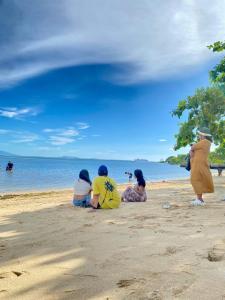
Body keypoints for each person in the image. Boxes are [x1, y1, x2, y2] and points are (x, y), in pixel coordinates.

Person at [190, 127, 214, 206]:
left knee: (195, 180)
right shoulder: (204, 142)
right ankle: (199, 199)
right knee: (197, 180)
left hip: (199, 164)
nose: (199, 136)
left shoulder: (205, 142)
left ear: (203, 135)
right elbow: (194, 148)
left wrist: (192, 148)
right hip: (197, 164)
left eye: (200, 134)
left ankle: (199, 199)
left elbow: (193, 147)